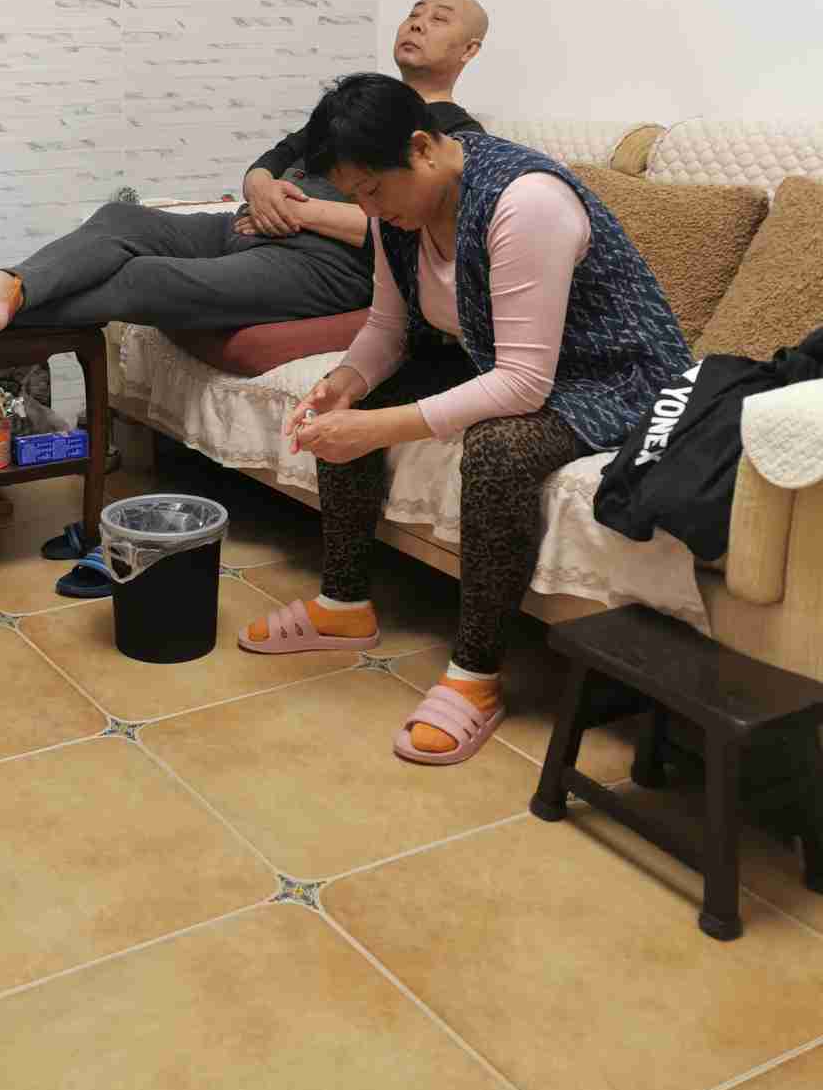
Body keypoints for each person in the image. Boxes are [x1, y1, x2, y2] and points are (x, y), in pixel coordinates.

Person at [238, 74, 689, 767]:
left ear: (422, 148)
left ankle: (476, 674)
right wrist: (341, 385)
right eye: (357, 196)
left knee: (499, 451)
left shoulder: (525, 201)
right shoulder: (398, 214)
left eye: (372, 191)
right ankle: (343, 605)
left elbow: (524, 384)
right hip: (504, 355)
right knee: (358, 404)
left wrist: (378, 430)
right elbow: (387, 329)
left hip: (618, 376)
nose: (368, 210)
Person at [0, 0, 489, 336]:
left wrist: (301, 214)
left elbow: (415, 233)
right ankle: (1, 288)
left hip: (326, 263)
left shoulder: (455, 141)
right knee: (123, 220)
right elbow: (272, 160)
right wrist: (261, 188)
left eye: (439, 19)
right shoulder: (366, 103)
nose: (417, 21)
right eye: (415, 10)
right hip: (252, 224)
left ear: (469, 50)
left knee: (144, 276)